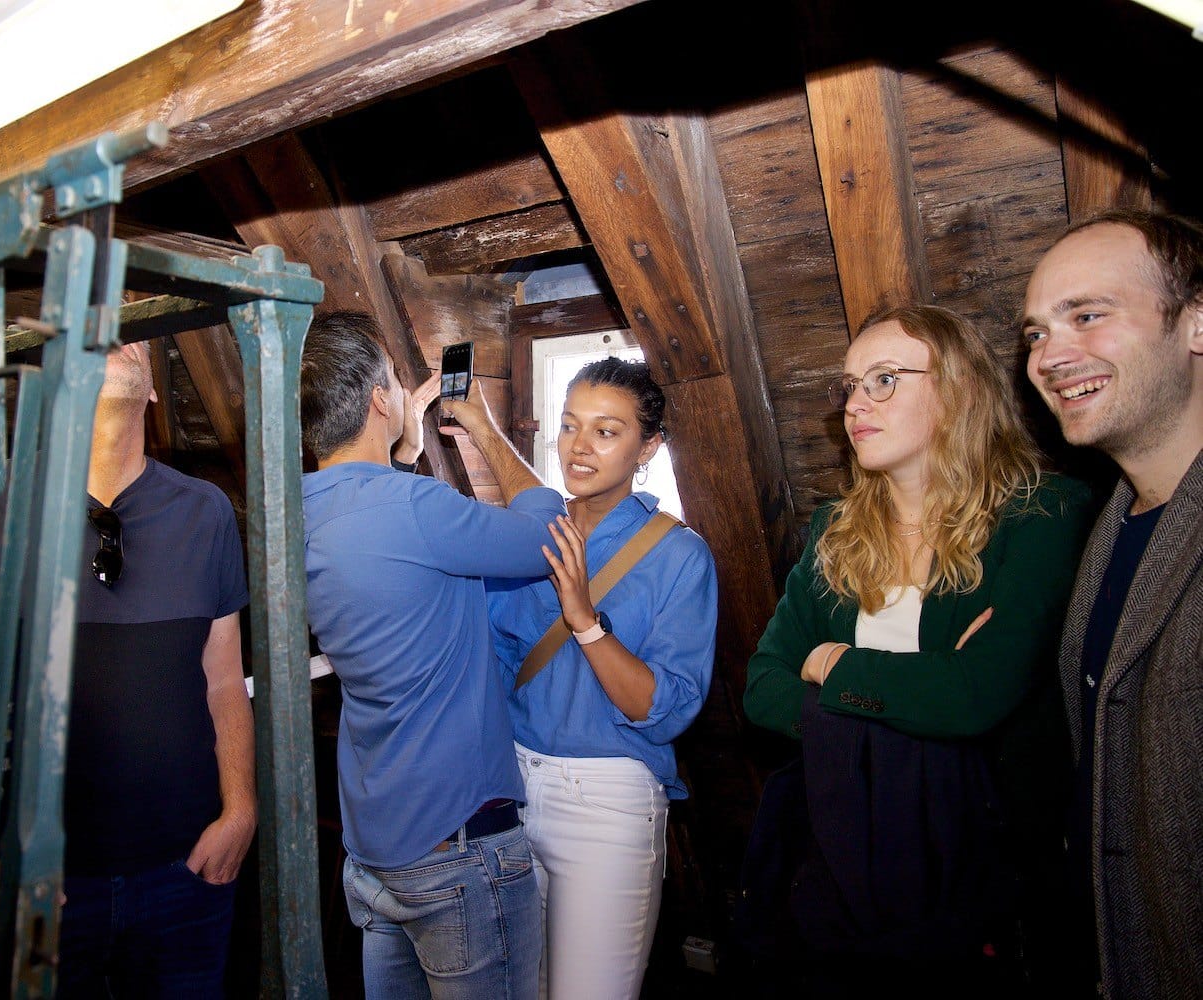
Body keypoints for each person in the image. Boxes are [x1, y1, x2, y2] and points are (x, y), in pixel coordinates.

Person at [741, 304, 1093, 996]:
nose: (855, 404)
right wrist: (919, 690)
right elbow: (762, 688)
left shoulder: (1042, 515)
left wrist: (831, 666)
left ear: (957, 387)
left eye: (884, 380)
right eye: (849, 386)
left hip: (988, 870)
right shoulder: (833, 533)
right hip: (846, 860)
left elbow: (974, 695)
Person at [0, 341, 255, 997]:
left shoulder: (204, 513)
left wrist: (241, 809)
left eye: (135, 328)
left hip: (188, 873)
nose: (116, 331)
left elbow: (224, 682)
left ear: (151, 391)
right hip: (37, 886)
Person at [299, 311, 564, 1000]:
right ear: (380, 397)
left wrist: (399, 456)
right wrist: (481, 425)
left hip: (377, 848)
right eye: (391, 376)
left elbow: (379, 544)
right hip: (457, 846)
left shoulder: (290, 511)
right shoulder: (413, 507)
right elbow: (550, 535)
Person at [481, 358, 716, 999]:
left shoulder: (678, 554)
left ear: (649, 448)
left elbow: (664, 710)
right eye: (568, 426)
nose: (579, 447)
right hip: (510, 790)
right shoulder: (535, 535)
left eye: (607, 432)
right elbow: (497, 662)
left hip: (607, 804)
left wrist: (584, 620)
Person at [1021, 209, 1203, 1000]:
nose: (1050, 356)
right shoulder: (1109, 529)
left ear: (1196, 324)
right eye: (1034, 333)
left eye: (1086, 315)